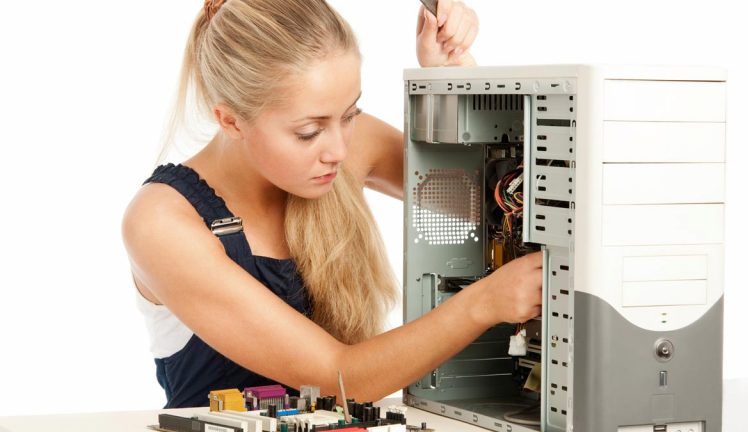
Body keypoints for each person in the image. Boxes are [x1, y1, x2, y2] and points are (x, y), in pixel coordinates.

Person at [122, 0, 542, 409]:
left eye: (350, 113)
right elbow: (339, 378)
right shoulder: (163, 223)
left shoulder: (343, 147)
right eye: (308, 131)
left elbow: (491, 194)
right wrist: (483, 304)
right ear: (230, 120)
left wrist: (449, 73)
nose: (339, 150)